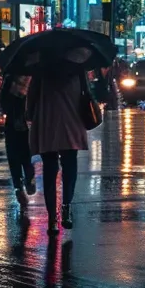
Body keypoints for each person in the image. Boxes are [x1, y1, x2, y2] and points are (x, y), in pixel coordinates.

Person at [26, 65, 89, 234]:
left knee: (49, 169)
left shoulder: (41, 68)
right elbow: (87, 93)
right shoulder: (77, 66)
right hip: (71, 121)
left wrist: (30, 116)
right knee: (69, 166)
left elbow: (31, 98)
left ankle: (52, 219)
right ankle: (66, 206)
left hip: (47, 122)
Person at [1, 72, 36, 207]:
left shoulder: (10, 77)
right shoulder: (34, 78)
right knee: (26, 154)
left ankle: (19, 186)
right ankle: (28, 178)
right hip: (27, 124)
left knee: (14, 157)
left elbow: (3, 102)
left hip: (13, 124)